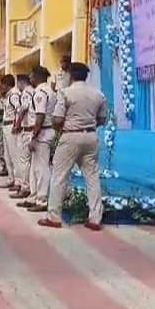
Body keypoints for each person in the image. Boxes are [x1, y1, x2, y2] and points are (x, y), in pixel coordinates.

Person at [39, 62, 107, 231]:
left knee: (59, 176)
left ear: (71, 75)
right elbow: (102, 119)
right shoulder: (98, 94)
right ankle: (95, 218)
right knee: (92, 178)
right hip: (91, 136)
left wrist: (62, 129)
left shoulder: (65, 93)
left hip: (70, 135)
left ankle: (54, 217)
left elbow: (57, 119)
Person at [21, 65, 55, 213]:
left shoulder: (41, 92)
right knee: (35, 167)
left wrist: (34, 137)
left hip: (43, 133)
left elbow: (39, 116)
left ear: (37, 76)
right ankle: (33, 196)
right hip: (45, 131)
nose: (30, 78)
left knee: (41, 169)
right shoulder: (49, 91)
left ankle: (42, 200)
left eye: (31, 75)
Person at [11, 74, 33, 200]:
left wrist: (17, 124)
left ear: (20, 82)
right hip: (31, 129)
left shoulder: (25, 93)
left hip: (27, 129)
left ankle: (25, 187)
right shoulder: (33, 91)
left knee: (23, 160)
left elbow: (23, 109)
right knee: (30, 162)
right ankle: (28, 186)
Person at [0, 75, 19, 191]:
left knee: (13, 155)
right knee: (7, 155)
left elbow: (19, 109)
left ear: (6, 84)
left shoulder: (14, 95)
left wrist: (16, 124)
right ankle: (11, 179)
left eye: (2, 85)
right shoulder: (8, 96)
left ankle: (17, 180)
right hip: (6, 125)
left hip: (12, 125)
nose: (1, 87)